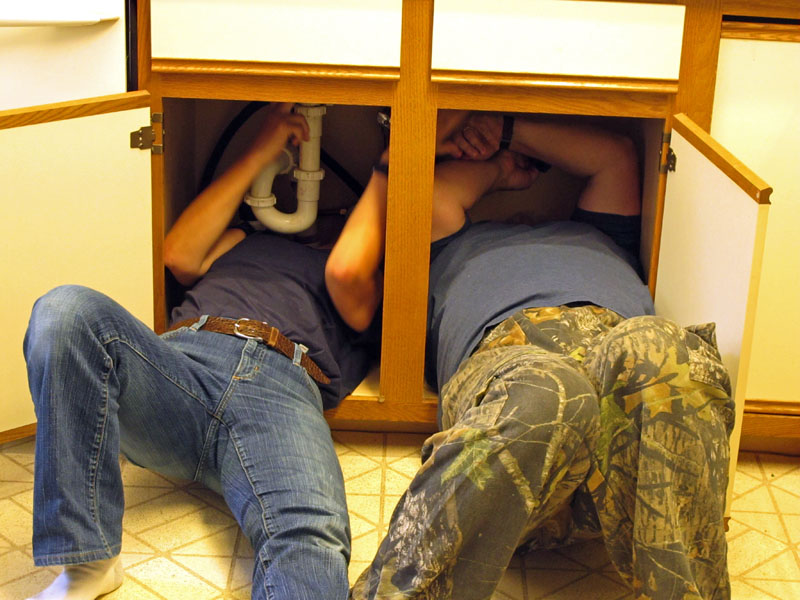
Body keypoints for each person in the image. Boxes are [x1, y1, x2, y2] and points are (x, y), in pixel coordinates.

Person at [327, 112, 735, 600]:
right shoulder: (449, 245)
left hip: (626, 418)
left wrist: (503, 129)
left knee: (664, 350)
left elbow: (615, 157)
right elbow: (435, 193)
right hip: (514, 370)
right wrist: (499, 168)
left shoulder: (602, 237)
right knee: (551, 393)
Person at [22, 102, 383, 600]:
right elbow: (180, 255)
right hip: (180, 365)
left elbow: (348, 271)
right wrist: (262, 147)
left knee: (307, 534)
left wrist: (387, 169)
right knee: (64, 310)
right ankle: (87, 562)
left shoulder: (366, 279)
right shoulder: (244, 238)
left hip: (282, 390)